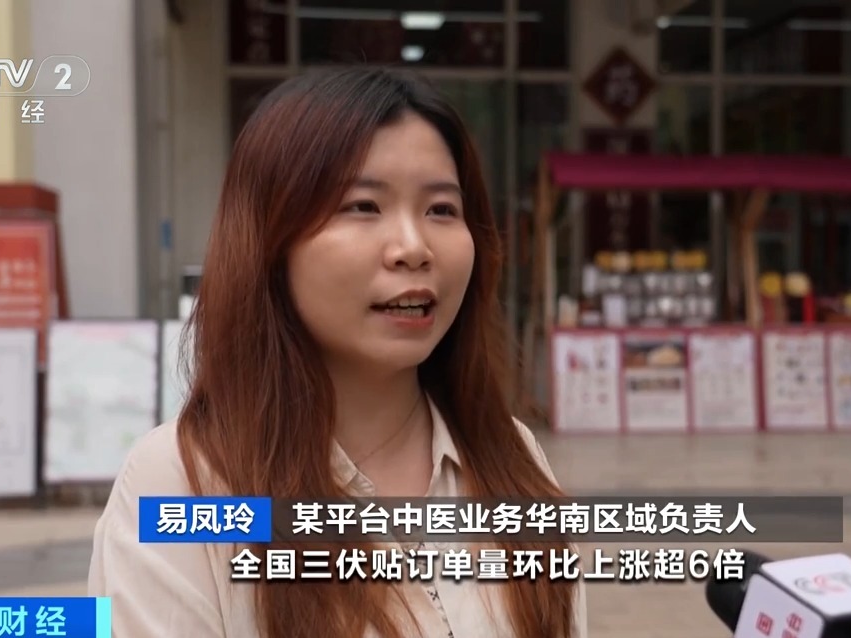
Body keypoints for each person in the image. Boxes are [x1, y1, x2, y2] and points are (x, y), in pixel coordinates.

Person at [87, 67, 588, 638]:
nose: (414, 248)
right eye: (364, 206)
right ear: (269, 240)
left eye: (441, 210)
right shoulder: (181, 484)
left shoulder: (513, 456)